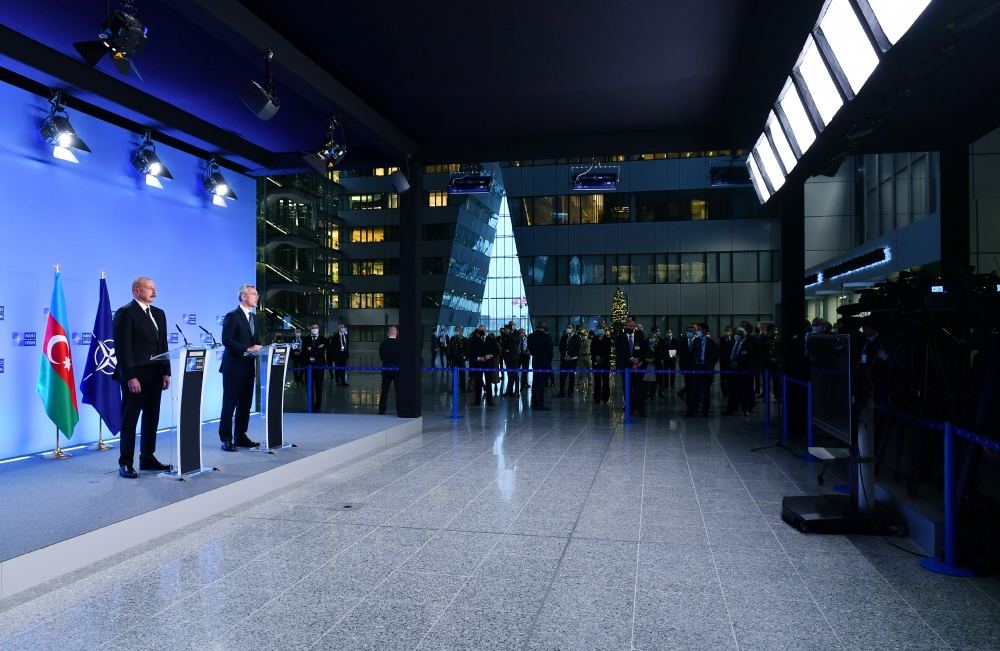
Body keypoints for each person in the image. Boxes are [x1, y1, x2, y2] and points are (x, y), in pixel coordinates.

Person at [113, 276, 171, 477]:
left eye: (154, 288)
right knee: (130, 420)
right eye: (149, 288)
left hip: (156, 375)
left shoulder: (159, 313)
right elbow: (122, 348)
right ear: (137, 291)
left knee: (151, 418)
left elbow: (163, 345)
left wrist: (166, 371)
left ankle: (147, 458)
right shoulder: (125, 312)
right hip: (135, 376)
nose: (154, 292)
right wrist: (130, 376)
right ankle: (125, 463)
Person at [218, 284, 262, 452]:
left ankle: (241, 436)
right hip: (233, 368)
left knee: (245, 404)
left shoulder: (254, 317)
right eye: (254, 294)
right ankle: (226, 439)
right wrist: (246, 349)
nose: (257, 297)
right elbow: (227, 340)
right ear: (244, 297)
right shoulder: (232, 316)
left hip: (249, 368)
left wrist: (259, 347)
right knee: (229, 405)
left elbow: (254, 340)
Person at [616, 315, 649, 417]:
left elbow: (644, 350)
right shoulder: (620, 336)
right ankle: (629, 409)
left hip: (638, 367)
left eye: (631, 322)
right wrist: (631, 360)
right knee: (628, 389)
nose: (629, 324)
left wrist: (638, 362)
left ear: (634, 323)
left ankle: (641, 409)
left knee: (640, 389)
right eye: (627, 323)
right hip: (626, 367)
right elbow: (620, 352)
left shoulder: (640, 334)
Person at [686, 322, 719, 417]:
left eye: (699, 330)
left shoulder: (712, 343)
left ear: (705, 330)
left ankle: (705, 411)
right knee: (694, 391)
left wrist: (709, 365)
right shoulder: (696, 341)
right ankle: (692, 410)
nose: (698, 331)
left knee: (706, 392)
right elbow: (692, 355)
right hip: (696, 368)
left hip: (706, 369)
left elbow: (716, 357)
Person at [723, 327, 757, 416]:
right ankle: (731, 408)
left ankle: (745, 409)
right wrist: (730, 363)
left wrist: (738, 363)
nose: (736, 336)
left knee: (744, 392)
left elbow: (749, 357)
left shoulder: (748, 344)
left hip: (743, 372)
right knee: (732, 391)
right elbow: (727, 355)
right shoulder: (732, 343)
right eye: (736, 334)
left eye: (738, 334)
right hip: (732, 372)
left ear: (743, 336)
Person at [301, 322, 327, 412]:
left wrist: (311, 350)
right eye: (312, 327)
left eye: (316, 327)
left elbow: (321, 351)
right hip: (309, 366)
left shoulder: (324, 339)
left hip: (319, 366)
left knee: (319, 386)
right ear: (309, 328)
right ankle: (311, 405)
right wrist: (317, 349)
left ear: (318, 328)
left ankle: (318, 406)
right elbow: (304, 352)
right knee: (309, 387)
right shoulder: (305, 339)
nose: (314, 329)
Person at [526, 322, 553, 409]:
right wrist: (549, 362)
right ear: (544, 327)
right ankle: (540, 404)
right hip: (544, 362)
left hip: (535, 362)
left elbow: (530, 349)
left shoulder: (530, 336)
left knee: (535, 382)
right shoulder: (546, 336)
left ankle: (534, 403)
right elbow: (550, 350)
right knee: (542, 384)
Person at [468, 324, 495, 406]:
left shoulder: (491, 339)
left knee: (489, 382)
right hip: (478, 364)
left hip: (488, 364)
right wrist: (478, 358)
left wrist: (490, 355)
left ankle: (490, 400)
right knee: (478, 382)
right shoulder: (474, 340)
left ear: (485, 330)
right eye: (480, 330)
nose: (481, 331)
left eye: (483, 330)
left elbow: (496, 350)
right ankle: (477, 401)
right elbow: (471, 352)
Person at [378, 326, 400, 415]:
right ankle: (400, 409)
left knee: (384, 391)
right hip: (397, 371)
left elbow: (381, 356)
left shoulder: (383, 344)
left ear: (388, 333)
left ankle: (382, 410)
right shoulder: (400, 344)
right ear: (397, 334)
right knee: (399, 391)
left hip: (386, 370)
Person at [557, 323, 580, 397]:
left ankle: (570, 392)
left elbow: (578, 348)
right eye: (567, 327)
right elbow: (560, 348)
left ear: (573, 329)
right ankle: (561, 392)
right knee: (562, 376)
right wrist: (564, 356)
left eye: (570, 327)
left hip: (572, 360)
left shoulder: (577, 338)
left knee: (571, 376)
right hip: (564, 360)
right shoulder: (563, 337)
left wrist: (570, 356)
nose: (568, 329)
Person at [590, 324, 612, 404]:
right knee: (597, 381)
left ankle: (605, 398)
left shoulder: (607, 339)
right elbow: (592, 350)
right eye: (598, 328)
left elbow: (608, 352)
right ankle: (597, 398)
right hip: (596, 363)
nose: (600, 330)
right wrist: (596, 357)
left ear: (604, 329)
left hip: (605, 363)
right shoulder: (594, 339)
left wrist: (601, 358)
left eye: (601, 328)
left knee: (606, 381)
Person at [448, 325, 468, 392]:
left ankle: (463, 388)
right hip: (454, 360)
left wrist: (465, 357)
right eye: (456, 330)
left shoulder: (465, 340)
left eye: (458, 330)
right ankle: (453, 388)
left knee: (462, 375)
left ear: (461, 331)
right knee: (454, 376)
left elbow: (467, 350)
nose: (457, 332)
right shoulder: (452, 339)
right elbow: (450, 350)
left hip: (461, 360)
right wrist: (449, 360)